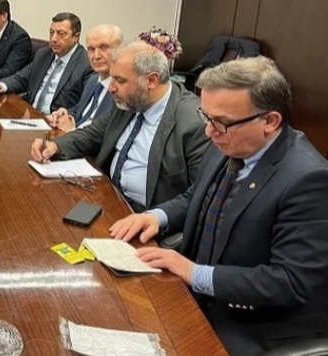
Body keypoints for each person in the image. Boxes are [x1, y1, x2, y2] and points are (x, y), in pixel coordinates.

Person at [109, 56, 328, 354]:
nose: (209, 132)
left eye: (221, 122)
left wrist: (195, 273)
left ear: (270, 121)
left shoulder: (308, 179)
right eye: (206, 117)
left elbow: (289, 282)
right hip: (192, 295)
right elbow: (196, 196)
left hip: (249, 322)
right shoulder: (228, 141)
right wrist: (156, 217)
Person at [32, 42, 208, 211]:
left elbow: (198, 196)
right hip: (107, 197)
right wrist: (55, 146)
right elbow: (92, 134)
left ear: (152, 81)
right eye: (111, 78)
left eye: (120, 80)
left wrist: (157, 217)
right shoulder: (130, 101)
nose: (111, 88)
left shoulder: (195, 122)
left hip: (148, 217)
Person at [0, 12, 91, 114]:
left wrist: (63, 116)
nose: (54, 39)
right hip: (32, 115)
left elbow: (85, 106)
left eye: (61, 34)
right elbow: (21, 78)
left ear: (76, 37)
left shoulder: (86, 64)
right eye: (51, 32)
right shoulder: (43, 54)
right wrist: (2, 85)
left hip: (56, 120)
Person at [46, 24, 123, 131]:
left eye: (104, 48)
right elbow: (81, 110)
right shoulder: (93, 80)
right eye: (91, 49)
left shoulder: (122, 91)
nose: (96, 56)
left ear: (120, 50)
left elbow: (107, 134)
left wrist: (72, 130)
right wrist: (66, 114)